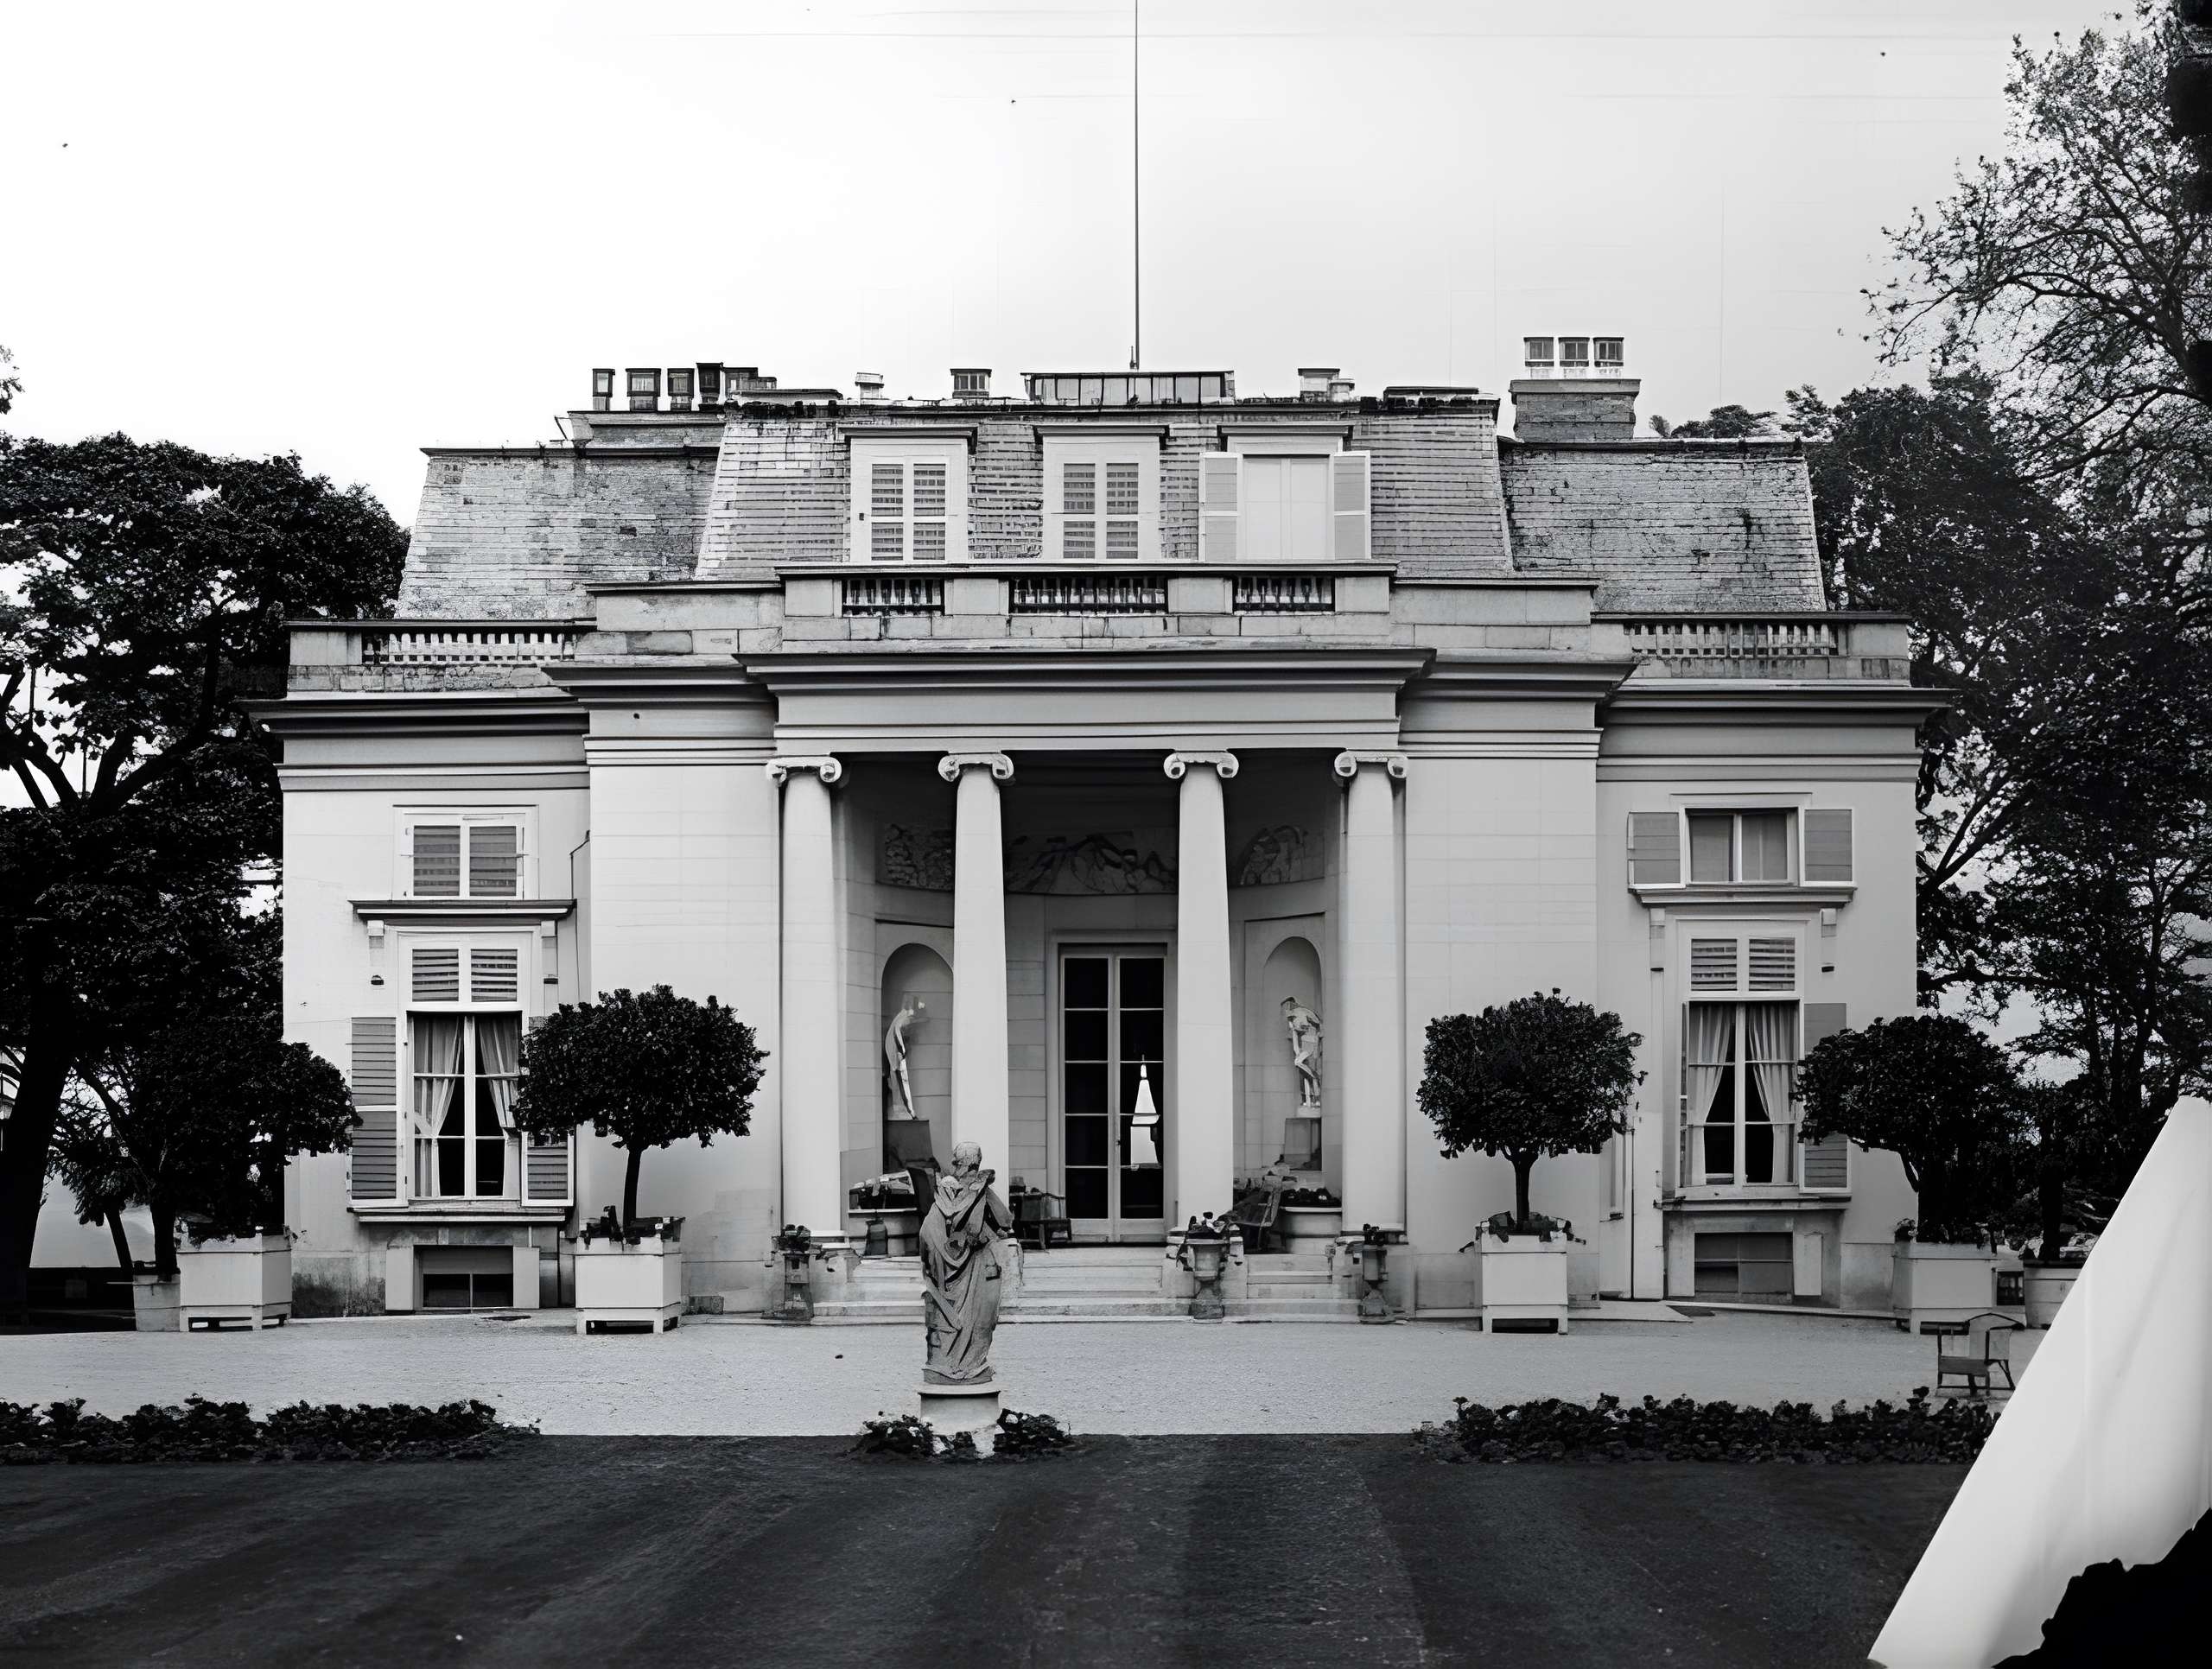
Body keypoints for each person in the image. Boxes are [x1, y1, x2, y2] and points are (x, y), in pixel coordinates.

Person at [918, 1139, 1014, 1384]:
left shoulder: (975, 1194)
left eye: (960, 1162)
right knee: (962, 1319)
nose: (957, 1167)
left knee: (978, 1319)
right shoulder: (953, 1195)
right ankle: (953, 1365)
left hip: (975, 1269)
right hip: (961, 1272)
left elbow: (1003, 1223)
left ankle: (969, 1364)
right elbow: (930, 1237)